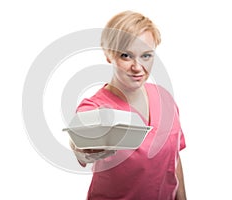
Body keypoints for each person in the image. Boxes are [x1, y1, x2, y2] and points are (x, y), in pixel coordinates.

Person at [70, 10, 187, 200]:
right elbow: (81, 132)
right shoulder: (95, 106)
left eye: (146, 56)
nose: (137, 67)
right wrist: (81, 145)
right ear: (109, 55)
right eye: (126, 55)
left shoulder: (164, 99)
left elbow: (174, 159)